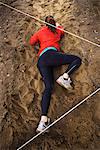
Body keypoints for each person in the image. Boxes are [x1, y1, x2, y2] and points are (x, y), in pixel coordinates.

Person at [30, 15, 82, 132]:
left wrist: (40, 39)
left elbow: (31, 42)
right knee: (77, 59)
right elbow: (61, 31)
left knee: (48, 87)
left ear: (44, 24)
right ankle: (65, 76)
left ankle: (43, 121)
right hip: (52, 55)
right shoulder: (57, 31)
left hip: (42, 60)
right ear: (54, 23)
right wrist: (58, 26)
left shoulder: (40, 31)